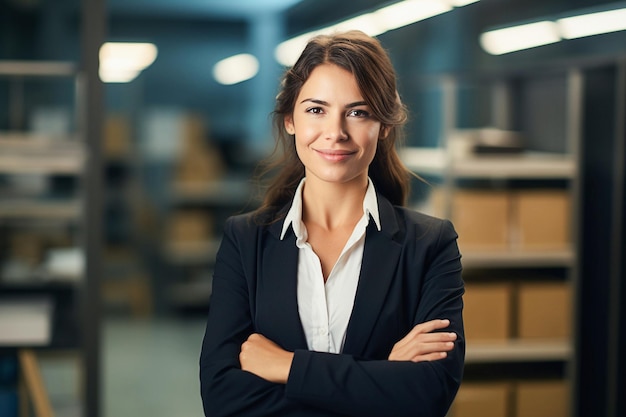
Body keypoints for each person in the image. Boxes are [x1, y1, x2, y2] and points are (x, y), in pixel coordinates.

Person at [199, 30, 464, 417]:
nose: (335, 133)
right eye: (316, 110)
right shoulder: (245, 240)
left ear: (384, 125)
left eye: (358, 112)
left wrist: (286, 366)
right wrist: (383, 378)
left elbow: (429, 394)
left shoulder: (429, 244)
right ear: (290, 119)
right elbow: (223, 398)